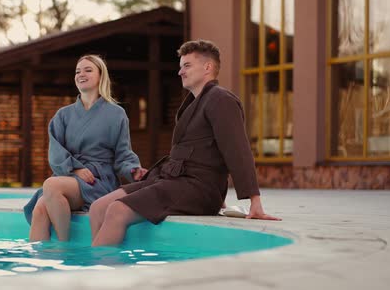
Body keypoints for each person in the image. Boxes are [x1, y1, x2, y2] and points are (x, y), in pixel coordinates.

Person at [89, 39, 281, 247]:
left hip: (197, 188)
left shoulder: (221, 99)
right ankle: (101, 261)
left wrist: (254, 200)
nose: (180, 72)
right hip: (173, 181)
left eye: (187, 66)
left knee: (118, 210)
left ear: (207, 67)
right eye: (180, 67)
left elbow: (238, 150)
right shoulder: (193, 102)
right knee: (98, 207)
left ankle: (99, 273)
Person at [24, 54, 148, 242]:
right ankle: (39, 265)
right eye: (77, 71)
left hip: (98, 180)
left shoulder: (116, 114)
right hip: (68, 176)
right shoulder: (63, 115)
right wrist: (75, 168)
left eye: (88, 70)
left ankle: (64, 246)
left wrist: (133, 170)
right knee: (39, 210)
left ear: (101, 76)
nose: (81, 74)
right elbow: (55, 151)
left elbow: (123, 154)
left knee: (51, 185)